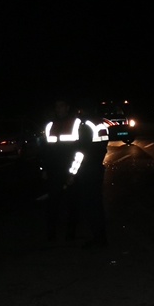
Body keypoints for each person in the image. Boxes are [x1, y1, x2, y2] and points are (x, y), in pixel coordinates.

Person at [41, 99, 82, 242]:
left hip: (69, 170)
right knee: (52, 204)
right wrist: (45, 168)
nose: (59, 108)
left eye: (61, 105)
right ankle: (51, 234)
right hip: (54, 171)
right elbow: (45, 150)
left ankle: (70, 234)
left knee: (72, 204)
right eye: (57, 106)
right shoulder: (50, 125)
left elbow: (80, 151)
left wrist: (73, 173)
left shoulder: (76, 124)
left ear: (67, 107)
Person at [75, 103, 109, 248]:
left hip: (88, 169)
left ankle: (97, 237)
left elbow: (82, 151)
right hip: (97, 165)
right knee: (97, 203)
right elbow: (103, 145)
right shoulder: (100, 124)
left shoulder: (85, 126)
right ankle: (101, 235)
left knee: (90, 204)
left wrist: (73, 172)